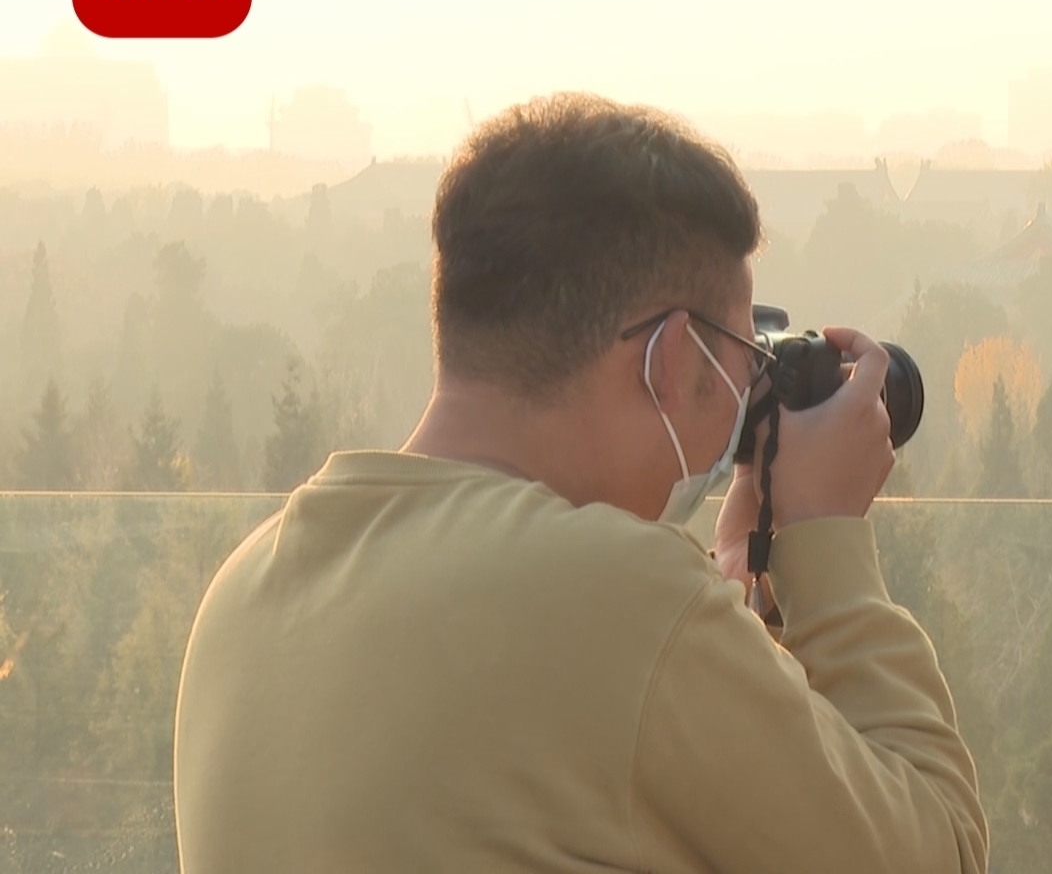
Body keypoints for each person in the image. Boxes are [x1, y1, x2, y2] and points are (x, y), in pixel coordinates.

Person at [173, 93, 988, 873]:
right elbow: (941, 851)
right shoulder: (620, 598)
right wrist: (825, 540)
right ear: (672, 359)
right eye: (746, 362)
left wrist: (734, 591)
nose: (747, 402)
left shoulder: (244, 590)